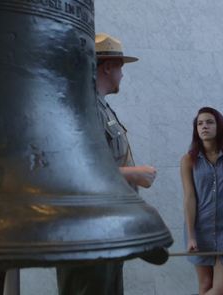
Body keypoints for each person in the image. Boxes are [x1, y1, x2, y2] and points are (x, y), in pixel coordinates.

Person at [56, 33, 157, 295]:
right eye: (121, 66)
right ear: (108, 66)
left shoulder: (101, 107)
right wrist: (134, 173)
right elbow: (74, 169)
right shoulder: (84, 107)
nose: (123, 74)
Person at [181, 107, 223, 295]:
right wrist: (191, 234)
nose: (204, 127)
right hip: (199, 230)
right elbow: (189, 198)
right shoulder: (188, 160)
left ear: (219, 126)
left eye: (209, 122)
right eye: (200, 123)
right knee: (205, 285)